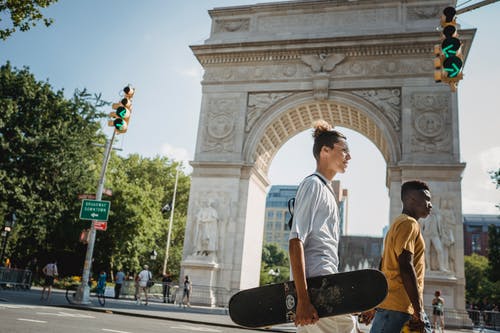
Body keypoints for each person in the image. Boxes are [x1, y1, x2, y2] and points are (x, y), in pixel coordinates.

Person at [288, 119, 355, 332]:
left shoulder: (326, 190)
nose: (349, 156)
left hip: (324, 286)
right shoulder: (313, 185)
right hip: (318, 289)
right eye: (344, 151)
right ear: (325, 151)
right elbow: (295, 240)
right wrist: (303, 300)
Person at [362, 180, 433, 333]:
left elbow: (383, 266)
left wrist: (375, 304)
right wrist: (418, 310)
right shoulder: (409, 224)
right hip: (400, 307)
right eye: (426, 199)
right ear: (411, 200)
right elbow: (406, 266)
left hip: (393, 305)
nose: (430, 204)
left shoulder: (397, 224)